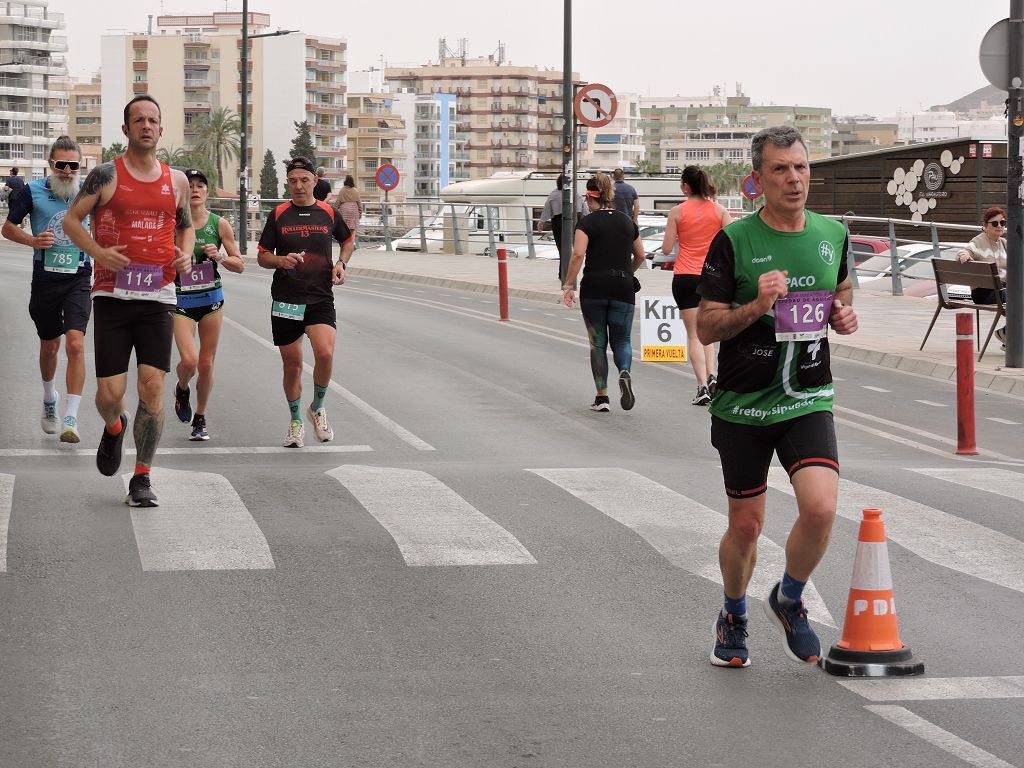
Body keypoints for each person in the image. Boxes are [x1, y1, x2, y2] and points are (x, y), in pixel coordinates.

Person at [696, 125, 858, 668]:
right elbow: (707, 329)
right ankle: (734, 612)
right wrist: (757, 306)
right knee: (747, 525)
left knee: (822, 507)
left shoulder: (832, 233)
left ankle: (789, 598)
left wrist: (843, 314)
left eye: (801, 167)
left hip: (806, 397)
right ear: (758, 179)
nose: (794, 178)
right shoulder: (735, 241)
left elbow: (840, 292)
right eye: (781, 170)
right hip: (742, 403)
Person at [64, 95, 194, 508]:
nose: (146, 125)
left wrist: (186, 252)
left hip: (159, 296)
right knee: (109, 393)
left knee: (153, 388)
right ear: (125, 130)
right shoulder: (105, 175)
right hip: (113, 297)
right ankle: (115, 427)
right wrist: (98, 253)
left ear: (161, 128)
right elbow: (71, 220)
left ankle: (142, 477)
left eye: (153, 119)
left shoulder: (177, 181)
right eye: (138, 119)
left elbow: (186, 227)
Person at [257, 155, 354, 448]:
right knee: (293, 366)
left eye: (304, 180)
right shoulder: (278, 215)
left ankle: (318, 407)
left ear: (314, 181)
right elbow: (262, 256)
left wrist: (341, 264)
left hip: (319, 297)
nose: (298, 186)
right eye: (293, 181)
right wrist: (280, 260)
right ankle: (296, 420)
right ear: (288, 183)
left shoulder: (328, 212)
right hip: (286, 299)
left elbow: (347, 241)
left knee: (324, 353)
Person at [2, 137, 91, 443]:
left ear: (80, 167)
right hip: (45, 280)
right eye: (61, 164)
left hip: (79, 277)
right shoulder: (32, 191)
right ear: (51, 164)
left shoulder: (89, 194)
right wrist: (33, 240)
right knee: (49, 346)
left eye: (73, 165)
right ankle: (49, 398)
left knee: (76, 343)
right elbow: (8, 227)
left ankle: (71, 418)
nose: (67, 171)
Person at [561, 172, 646, 412]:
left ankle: (602, 397)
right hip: (623, 287)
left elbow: (578, 254)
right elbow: (641, 255)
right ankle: (625, 371)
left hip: (594, 287)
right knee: (623, 340)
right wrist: (627, 272)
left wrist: (568, 284)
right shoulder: (628, 222)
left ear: (589, 197)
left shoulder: (586, 223)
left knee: (598, 344)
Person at [171, 168, 244, 440]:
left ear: (207, 192)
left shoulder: (219, 224)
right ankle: (181, 388)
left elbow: (239, 265)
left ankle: (200, 418)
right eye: (191, 185)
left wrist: (221, 256)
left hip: (211, 300)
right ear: (184, 192)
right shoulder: (173, 224)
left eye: (201, 185)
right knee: (189, 361)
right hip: (181, 300)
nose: (197, 189)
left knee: (206, 364)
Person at [662, 165, 732, 406]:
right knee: (709, 332)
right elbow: (732, 244)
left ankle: (702, 385)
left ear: (685, 187)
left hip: (685, 276)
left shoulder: (677, 212)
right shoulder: (720, 211)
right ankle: (712, 375)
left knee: (693, 335)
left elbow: (667, 249)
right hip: (712, 277)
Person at [957, 206, 1008, 343]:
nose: (999, 226)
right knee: (1019, 298)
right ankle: (1006, 333)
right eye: (995, 223)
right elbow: (963, 252)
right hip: (985, 293)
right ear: (986, 225)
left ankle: (1008, 335)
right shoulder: (978, 241)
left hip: (1002, 290)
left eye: (1002, 223)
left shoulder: (1004, 243)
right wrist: (965, 255)